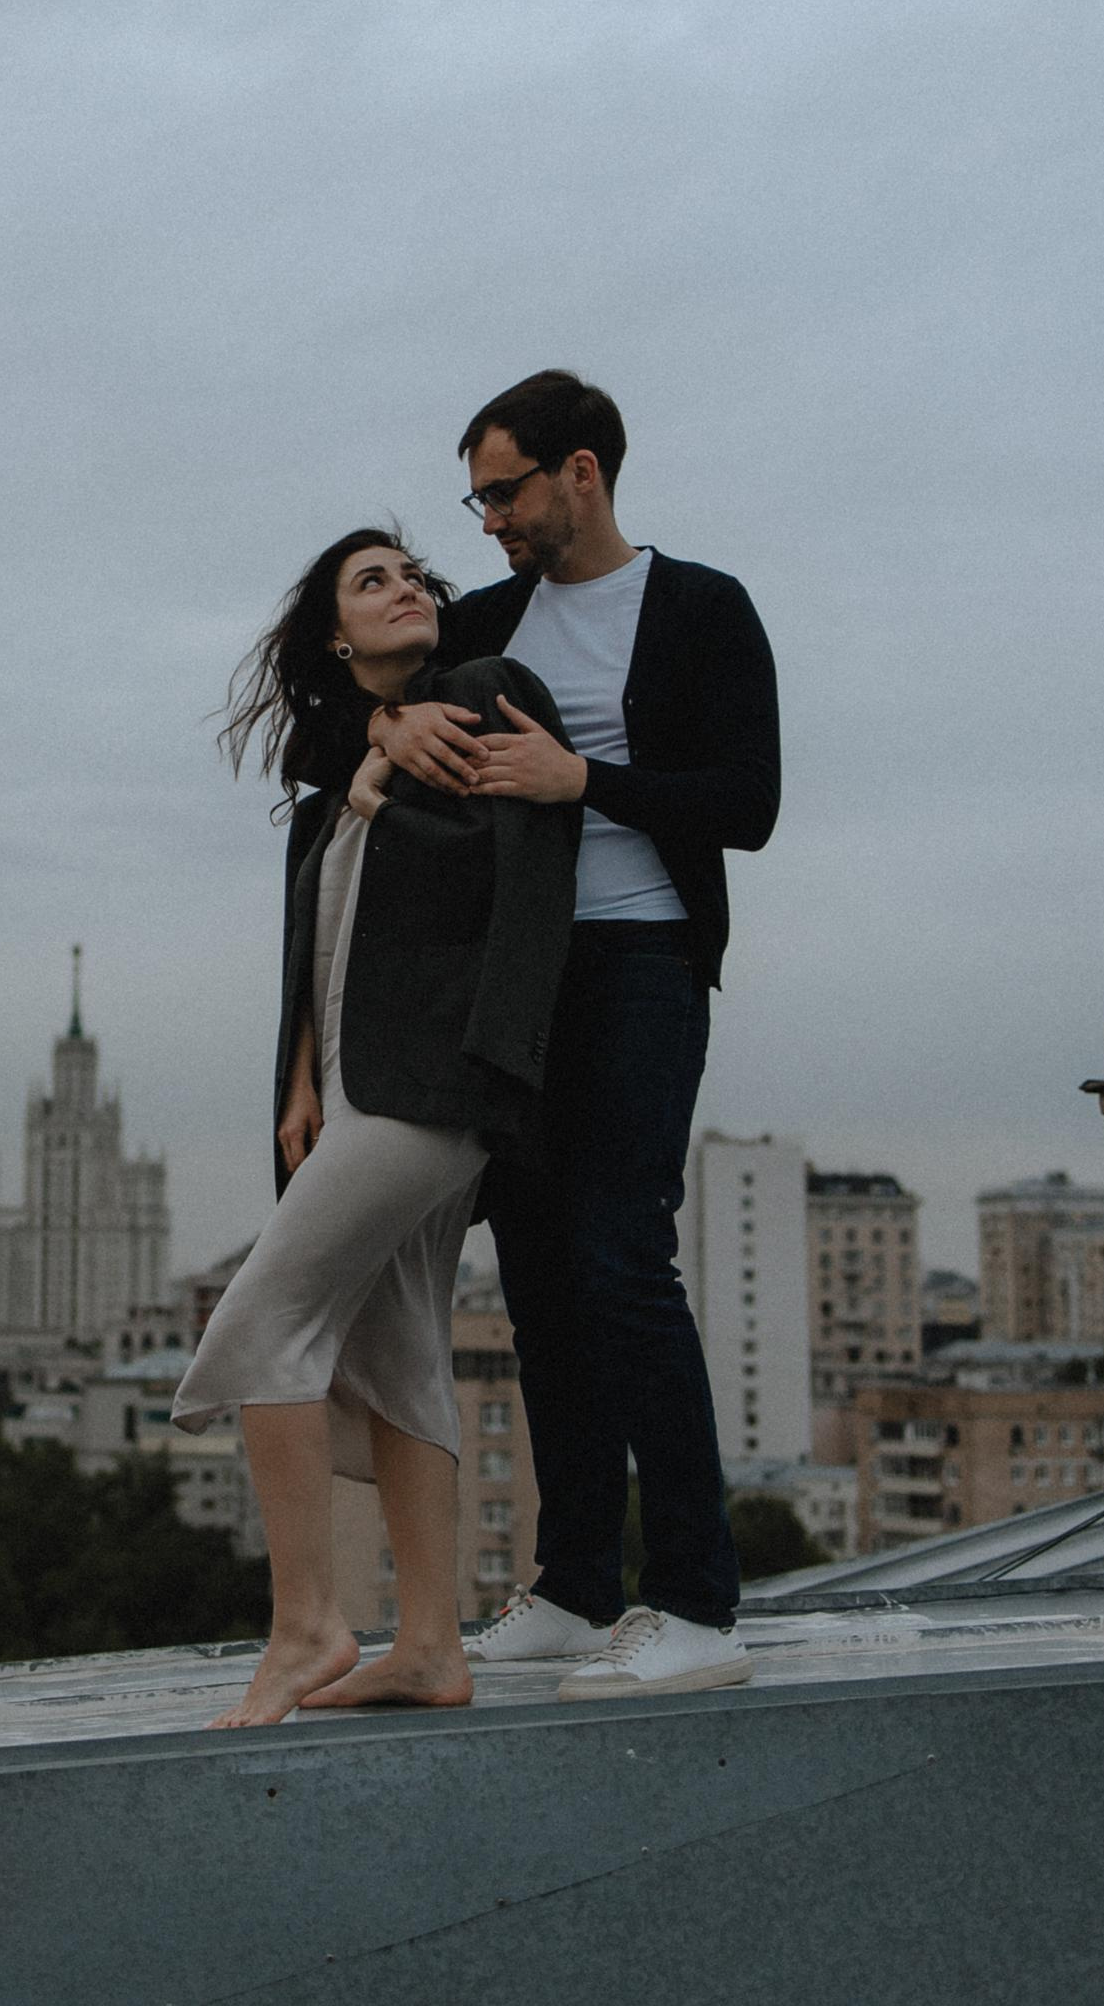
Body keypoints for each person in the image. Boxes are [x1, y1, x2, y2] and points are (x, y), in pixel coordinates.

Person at [364, 370, 780, 1699]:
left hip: (646, 960)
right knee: (537, 1273)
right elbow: (355, 694)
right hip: (521, 977)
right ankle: (578, 1582)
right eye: (476, 497)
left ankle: (700, 1602)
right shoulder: (494, 617)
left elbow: (749, 801)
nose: (487, 521)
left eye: (504, 491)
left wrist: (581, 778)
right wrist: (393, 715)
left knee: (619, 1259)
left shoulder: (703, 609)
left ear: (580, 473)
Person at [172, 528, 580, 1728]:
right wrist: (300, 1080)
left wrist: (390, 747)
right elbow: (320, 949)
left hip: (433, 1084)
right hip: (359, 1089)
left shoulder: (478, 695)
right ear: (335, 638)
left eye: (413, 577)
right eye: (373, 582)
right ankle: (425, 1646)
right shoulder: (327, 789)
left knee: (264, 1322)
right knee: (402, 1352)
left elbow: (520, 861)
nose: (406, 589)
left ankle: (304, 1626)